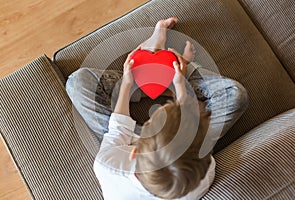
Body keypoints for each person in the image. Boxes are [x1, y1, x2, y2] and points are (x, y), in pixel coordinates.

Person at [66, 17, 249, 199]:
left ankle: (150, 78)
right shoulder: (202, 177)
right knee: (235, 95)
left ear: (135, 152)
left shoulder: (108, 166)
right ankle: (167, 76)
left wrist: (127, 85)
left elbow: (119, 129)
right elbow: (193, 133)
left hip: (124, 143)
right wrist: (181, 84)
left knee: (77, 83)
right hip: (178, 153)